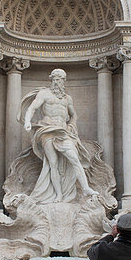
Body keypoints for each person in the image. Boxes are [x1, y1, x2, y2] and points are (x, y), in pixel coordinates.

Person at [21, 69, 98, 203]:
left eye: (60, 79)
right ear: (51, 80)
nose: (57, 82)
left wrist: (72, 126)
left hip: (63, 131)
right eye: (55, 79)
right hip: (47, 130)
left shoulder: (68, 99)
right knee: (53, 164)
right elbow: (32, 108)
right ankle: (58, 195)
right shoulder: (44, 94)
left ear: (64, 81)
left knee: (75, 159)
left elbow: (73, 115)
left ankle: (85, 188)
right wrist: (27, 121)